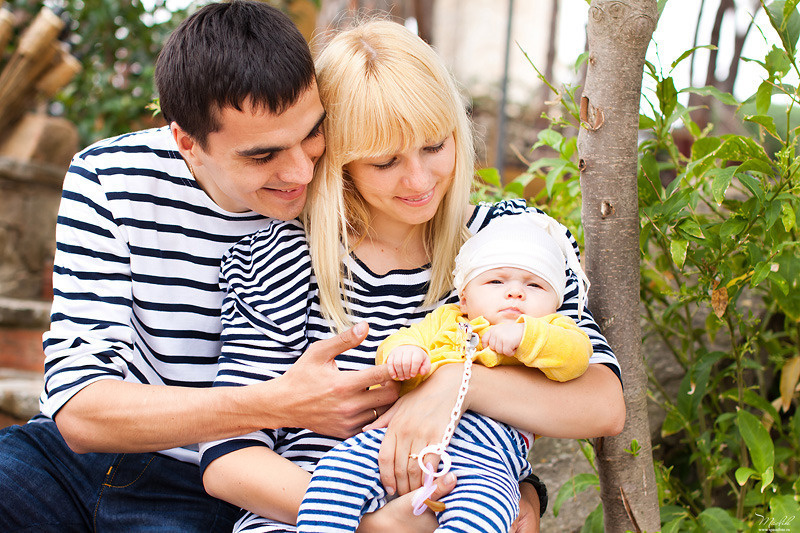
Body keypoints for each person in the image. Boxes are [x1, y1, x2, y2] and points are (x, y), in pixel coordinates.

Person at [0, 3, 451, 530]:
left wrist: (523, 494)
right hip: (68, 466)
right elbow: (80, 410)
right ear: (188, 144)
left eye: (311, 134)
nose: (301, 171)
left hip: (219, 487)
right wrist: (277, 403)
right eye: (262, 156)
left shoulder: (350, 187)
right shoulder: (111, 179)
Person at [199, 19, 624, 533]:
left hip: (468, 501)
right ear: (340, 161)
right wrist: (377, 525)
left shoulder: (514, 240)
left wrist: (455, 384)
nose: (419, 180)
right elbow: (230, 460)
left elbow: (602, 405)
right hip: (308, 511)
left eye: (433, 146)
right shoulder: (280, 256)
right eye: (384, 162)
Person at [297, 212, 595, 533]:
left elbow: (576, 356)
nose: (515, 293)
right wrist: (404, 355)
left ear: (555, 302)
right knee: (338, 469)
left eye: (534, 284)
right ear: (464, 297)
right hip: (401, 441)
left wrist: (527, 336)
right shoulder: (447, 319)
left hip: (487, 462)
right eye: (496, 281)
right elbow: (405, 338)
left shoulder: (553, 328)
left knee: (483, 517)